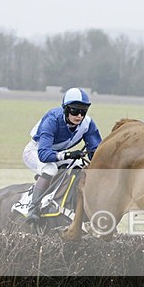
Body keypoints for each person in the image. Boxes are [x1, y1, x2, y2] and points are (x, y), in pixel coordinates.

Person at [22, 87, 102, 222]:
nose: (79, 116)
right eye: (75, 110)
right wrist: (68, 155)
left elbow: (95, 152)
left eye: (83, 111)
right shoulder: (52, 119)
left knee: (81, 166)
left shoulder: (87, 124)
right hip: (36, 151)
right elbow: (44, 155)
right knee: (50, 169)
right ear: (65, 108)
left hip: (57, 154)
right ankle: (33, 207)